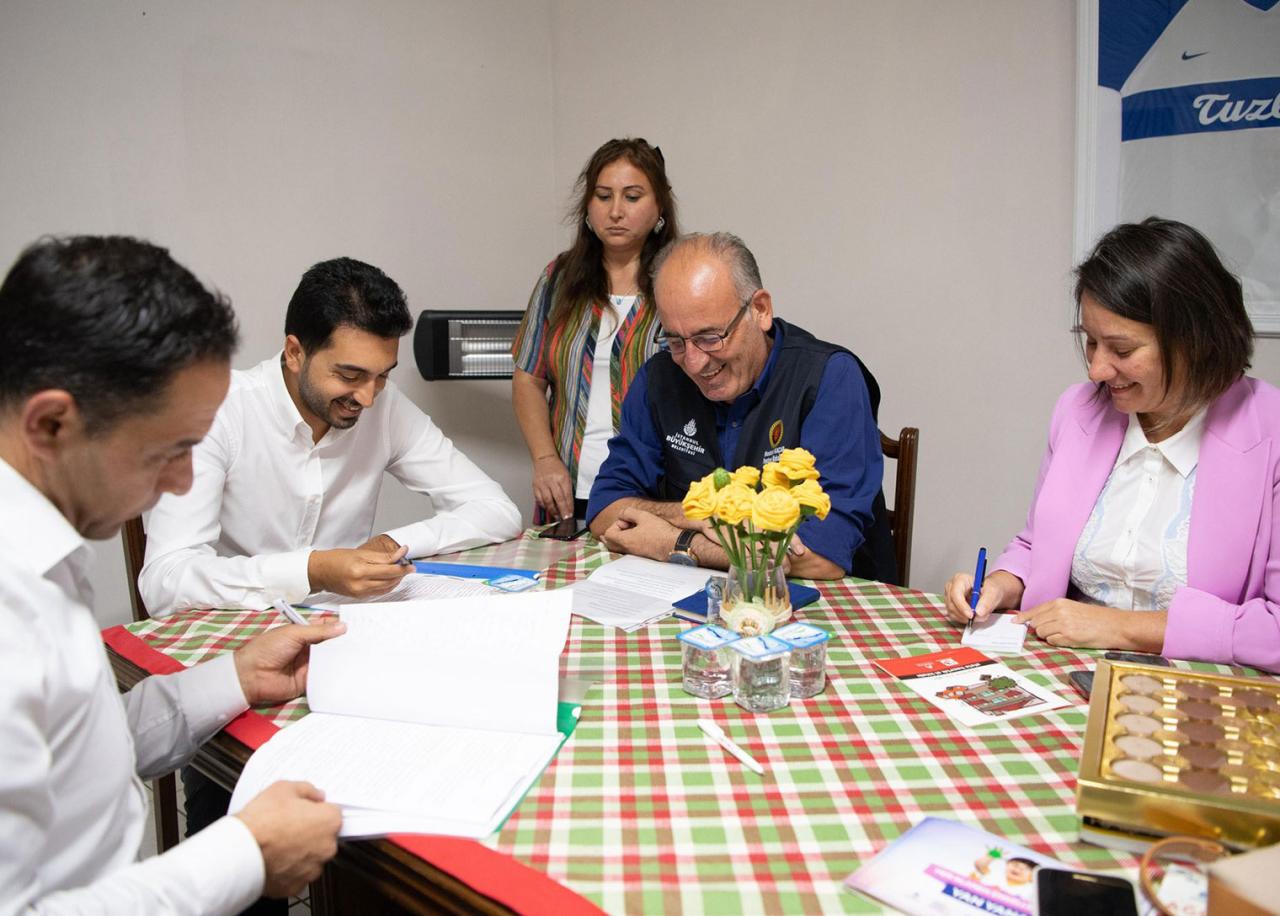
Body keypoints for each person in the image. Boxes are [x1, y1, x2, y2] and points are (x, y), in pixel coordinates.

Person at [0, 235, 344, 912]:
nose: (184, 481)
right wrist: (245, 857)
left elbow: (76, 754)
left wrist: (234, 677)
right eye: (170, 449)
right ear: (52, 424)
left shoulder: (42, 551)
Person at [944, 218, 1280, 673]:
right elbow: (1038, 542)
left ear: (1197, 341)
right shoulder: (1077, 411)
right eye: (1090, 342)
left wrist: (1121, 627)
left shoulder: (1270, 432)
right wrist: (1001, 584)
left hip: (1199, 690)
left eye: (1121, 350)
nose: (1097, 371)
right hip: (1065, 672)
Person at [139, 256, 522, 615]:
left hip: (346, 624)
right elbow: (165, 581)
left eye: (383, 375)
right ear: (295, 353)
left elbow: (496, 510)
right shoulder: (215, 413)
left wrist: (392, 544)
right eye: (350, 375)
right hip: (235, 626)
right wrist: (313, 570)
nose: (368, 398)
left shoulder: (385, 407)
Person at [587, 232, 896, 582]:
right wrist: (694, 517)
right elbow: (604, 510)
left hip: (826, 602)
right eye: (675, 340)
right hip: (688, 595)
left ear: (760, 310)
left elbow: (822, 557)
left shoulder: (829, 378)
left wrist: (674, 542)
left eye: (709, 337)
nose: (693, 362)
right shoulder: (658, 379)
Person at [511, 137, 679, 524]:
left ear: (659, 207)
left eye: (632, 197)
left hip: (655, 493)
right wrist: (544, 459)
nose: (616, 211)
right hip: (567, 493)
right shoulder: (558, 279)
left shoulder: (679, 281)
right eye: (603, 196)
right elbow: (528, 379)